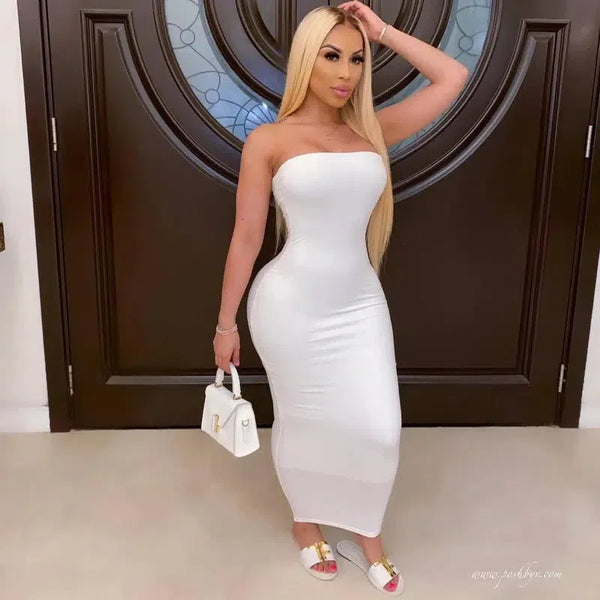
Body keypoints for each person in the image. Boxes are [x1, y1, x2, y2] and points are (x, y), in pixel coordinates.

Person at [213, 1, 468, 594]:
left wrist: (383, 31)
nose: (346, 72)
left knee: (379, 427)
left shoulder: (371, 131)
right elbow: (246, 236)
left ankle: (367, 532)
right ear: (307, 58)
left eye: (357, 59)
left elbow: (452, 77)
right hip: (288, 307)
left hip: (358, 304)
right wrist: (225, 325)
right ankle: (307, 525)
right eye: (331, 55)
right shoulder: (269, 140)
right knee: (304, 421)